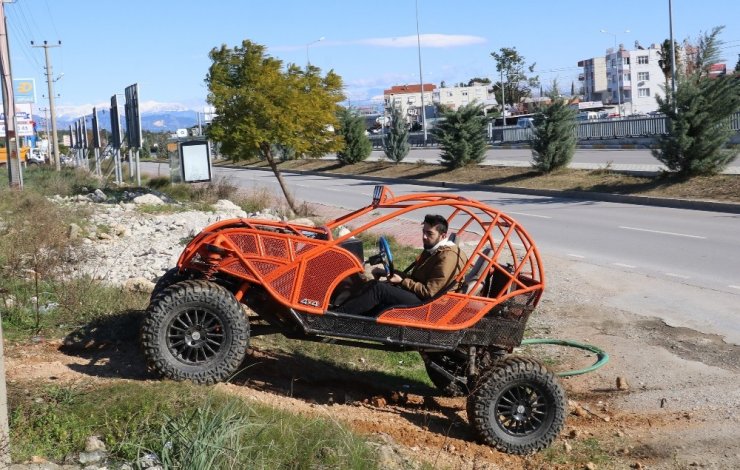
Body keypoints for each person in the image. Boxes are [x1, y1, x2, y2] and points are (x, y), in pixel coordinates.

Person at [335, 214, 468, 316]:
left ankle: (337, 318)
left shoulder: (448, 256)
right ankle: (342, 310)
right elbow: (417, 279)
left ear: (443, 235)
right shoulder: (434, 249)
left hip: (429, 306)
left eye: (429, 233)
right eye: (424, 231)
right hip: (421, 298)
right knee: (372, 284)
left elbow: (430, 293)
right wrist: (392, 274)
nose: (425, 237)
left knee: (379, 289)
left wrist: (402, 281)